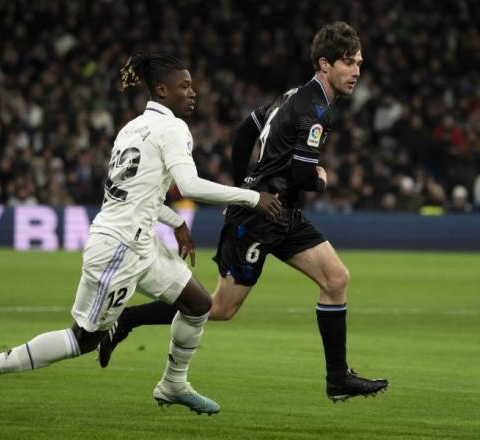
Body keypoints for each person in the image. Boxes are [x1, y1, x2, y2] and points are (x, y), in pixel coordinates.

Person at [0, 52, 282, 419]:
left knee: (198, 304)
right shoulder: (173, 129)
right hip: (118, 248)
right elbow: (189, 185)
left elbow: (135, 192)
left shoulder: (130, 128)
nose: (193, 93)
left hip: (139, 242)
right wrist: (253, 197)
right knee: (83, 339)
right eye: (184, 86)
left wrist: (175, 222)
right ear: (161, 90)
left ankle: (173, 383)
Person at [99, 22, 389, 402]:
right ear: (324, 63)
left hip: (279, 212)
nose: (356, 72)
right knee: (219, 308)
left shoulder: (292, 95)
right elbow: (303, 173)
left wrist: (243, 184)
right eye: (349, 63)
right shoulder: (315, 108)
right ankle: (128, 320)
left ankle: (338, 379)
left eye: (359, 63)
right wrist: (319, 181)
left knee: (336, 279)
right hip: (259, 217)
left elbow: (244, 130)